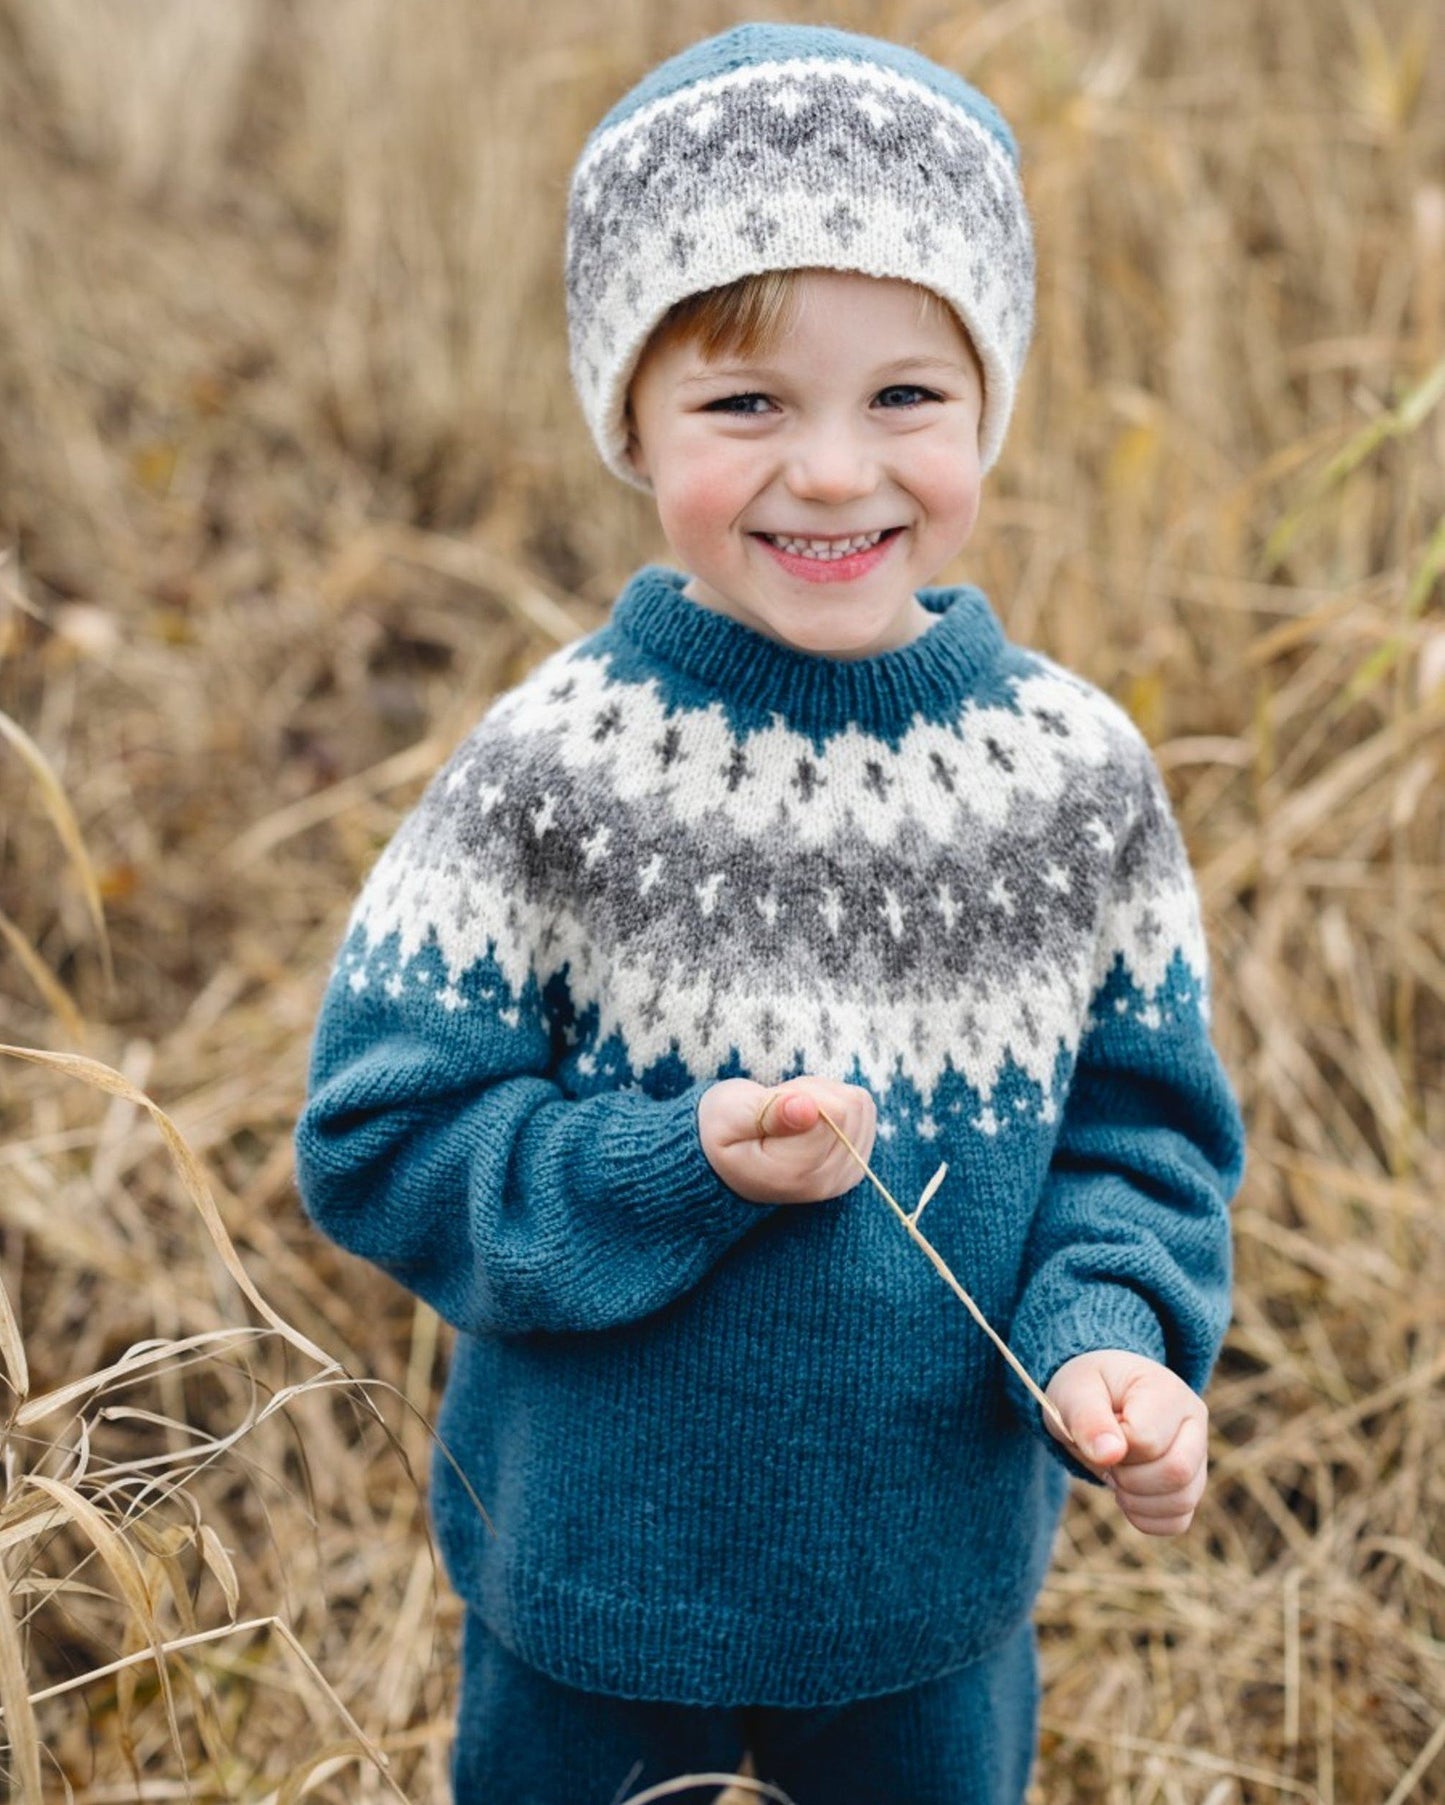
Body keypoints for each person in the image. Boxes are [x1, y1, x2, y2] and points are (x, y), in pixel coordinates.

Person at [292, 22, 1247, 1805]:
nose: (830, 470)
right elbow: (379, 1131)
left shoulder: (1071, 782)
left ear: (986, 407)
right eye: (744, 403)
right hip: (585, 1593)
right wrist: (676, 1163)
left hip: (925, 1609)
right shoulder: (553, 767)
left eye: (903, 395)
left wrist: (1109, 1334)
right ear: (630, 421)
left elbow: (1142, 1138)